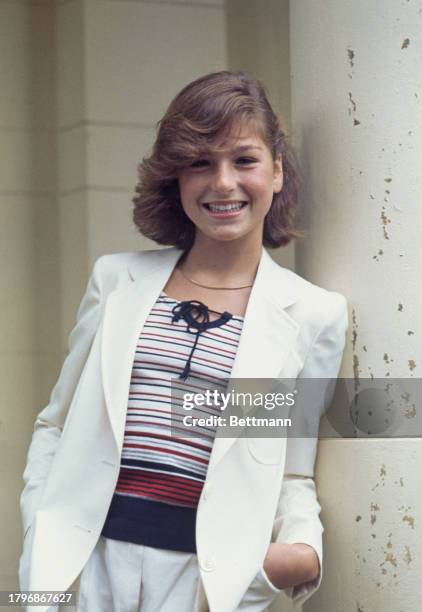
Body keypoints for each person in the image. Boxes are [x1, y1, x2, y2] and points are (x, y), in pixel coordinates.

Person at [19, 71, 348, 612]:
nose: (223, 183)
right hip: (89, 565)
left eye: (244, 160)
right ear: (175, 177)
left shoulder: (312, 314)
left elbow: (287, 465)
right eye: (200, 162)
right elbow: (55, 424)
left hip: (203, 582)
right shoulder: (114, 280)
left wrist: (300, 553)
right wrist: (43, 536)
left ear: (277, 170)